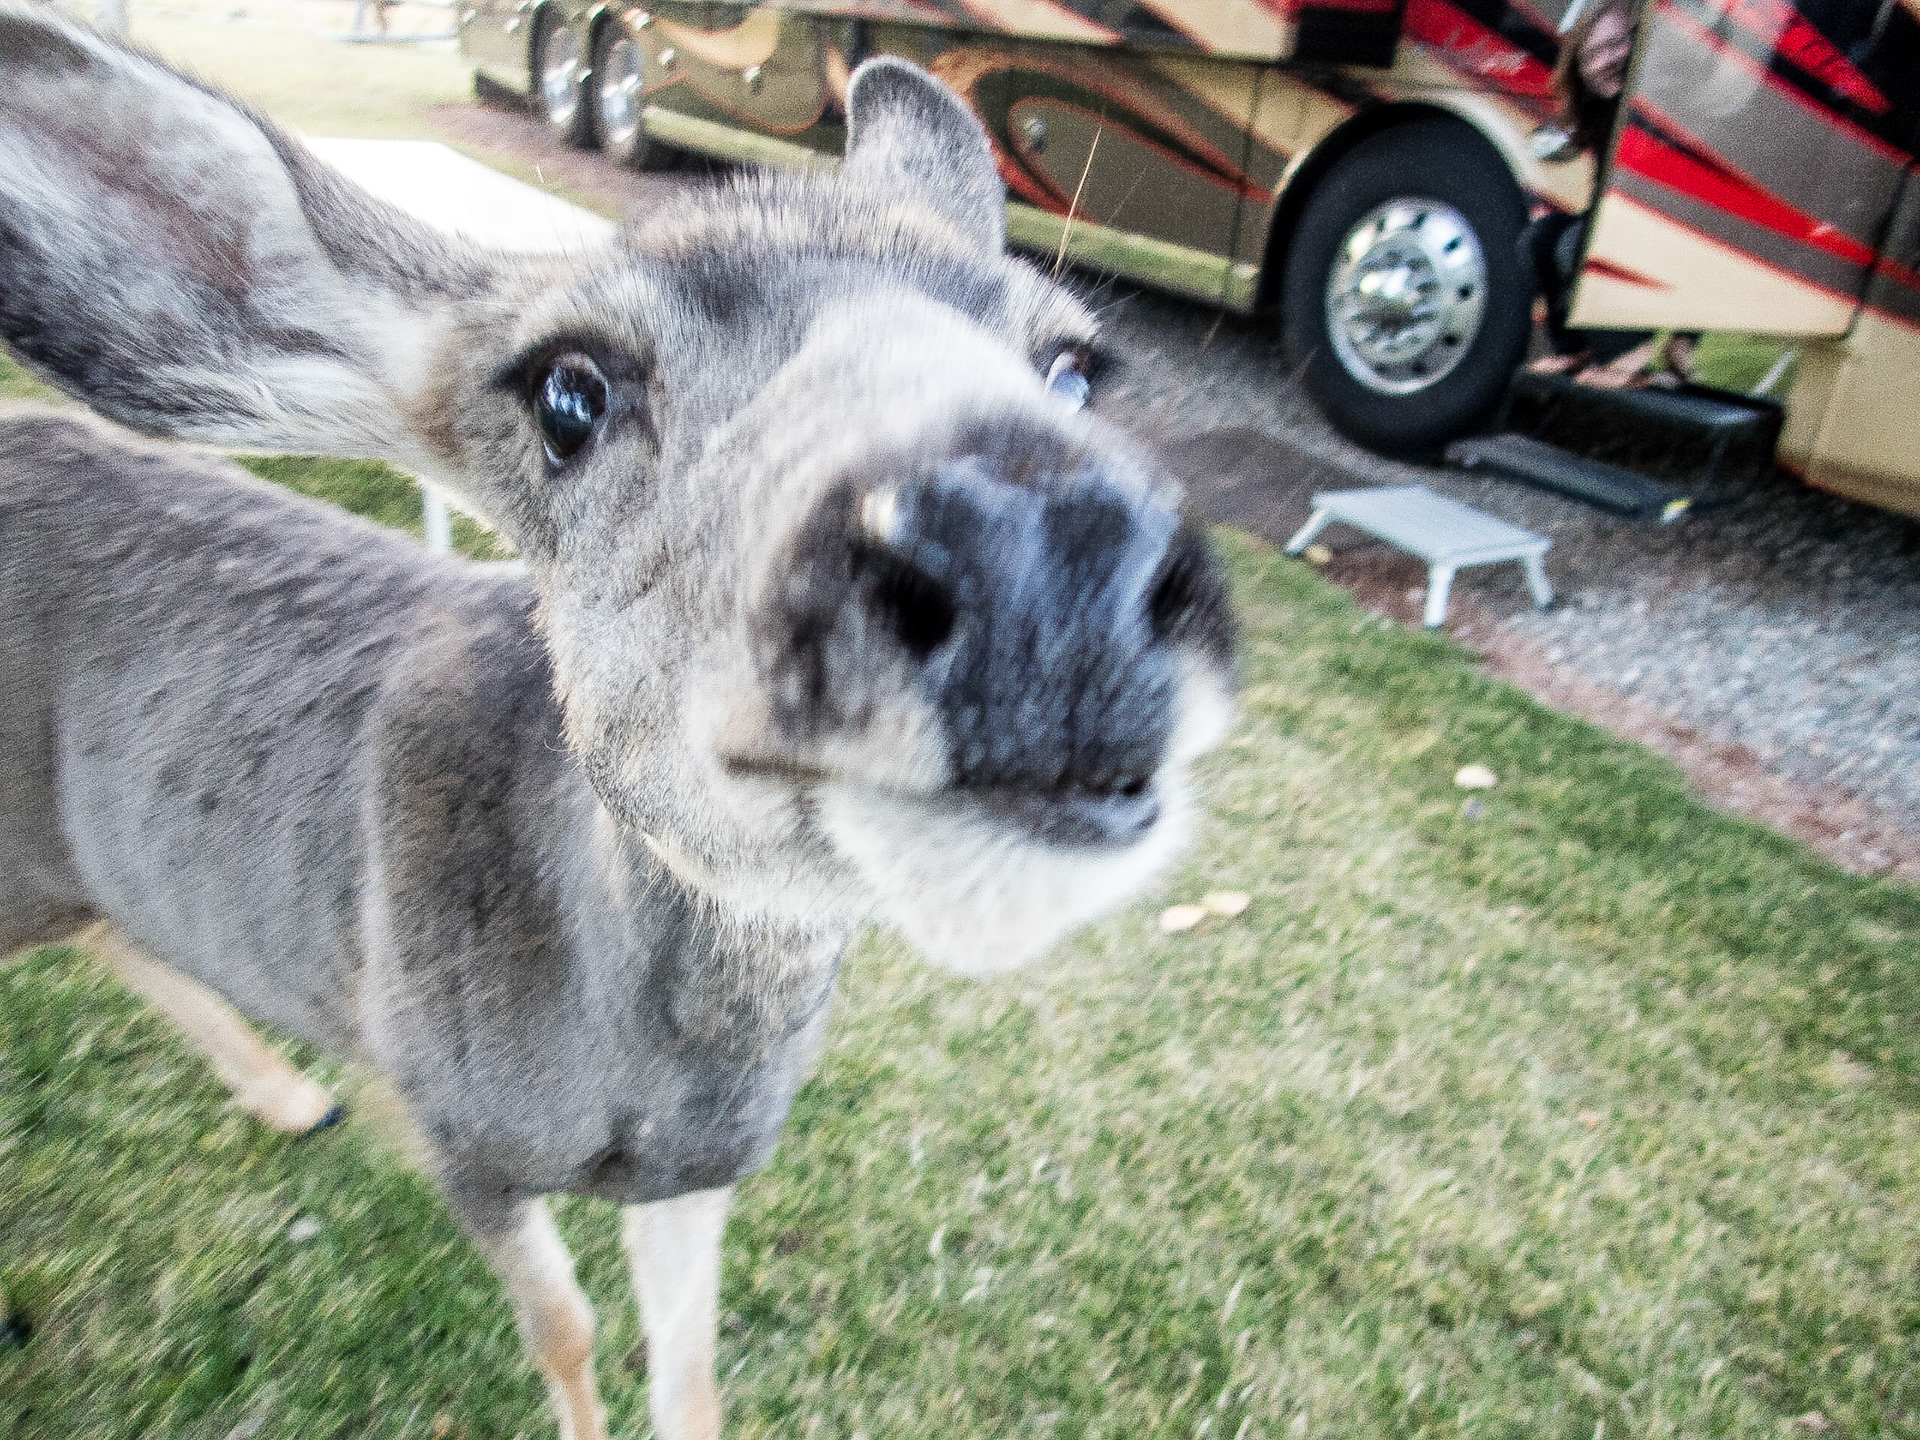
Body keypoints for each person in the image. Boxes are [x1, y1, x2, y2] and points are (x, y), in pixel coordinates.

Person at [1523, 0, 1696, 387]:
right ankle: (1573, 349)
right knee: (1542, 236)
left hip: (1675, 243)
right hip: (1628, 234)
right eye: (1594, 54)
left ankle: (1629, 361)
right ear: (1580, 70)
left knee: (1579, 241)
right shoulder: (1603, 117)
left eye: (1618, 44)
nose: (1608, 60)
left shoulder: (1661, 112)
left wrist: (1686, 335)